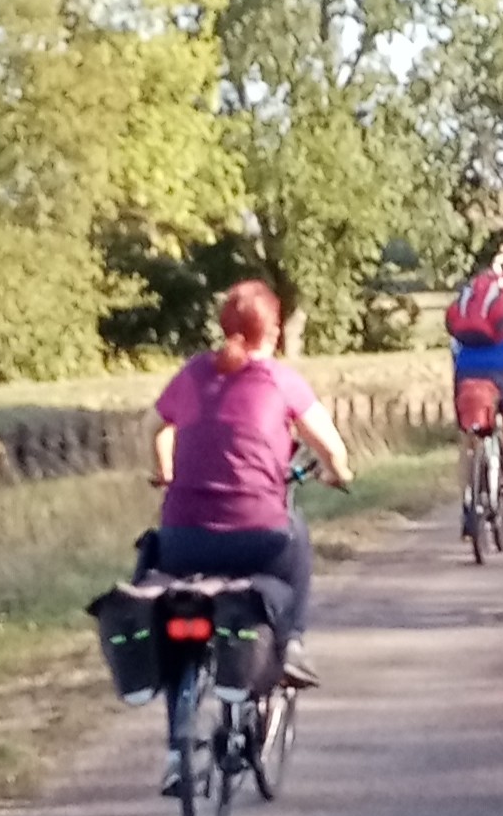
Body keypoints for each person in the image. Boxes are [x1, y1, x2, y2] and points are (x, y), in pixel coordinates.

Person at [150, 280, 353, 687]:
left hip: (181, 538)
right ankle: (292, 643)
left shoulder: (191, 374)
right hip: (257, 538)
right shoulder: (282, 380)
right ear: (274, 332)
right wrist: (339, 474)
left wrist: (166, 473)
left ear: (224, 325)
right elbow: (332, 449)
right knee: (296, 536)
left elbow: (154, 428)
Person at [445, 251, 503, 508]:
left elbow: (454, 352)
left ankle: (467, 503)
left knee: (467, 438)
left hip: (466, 373)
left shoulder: (466, 315)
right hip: (501, 372)